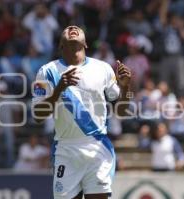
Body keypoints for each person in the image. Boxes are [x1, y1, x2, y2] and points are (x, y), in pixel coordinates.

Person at [32, 26, 131, 199]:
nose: (71, 28)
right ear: (61, 45)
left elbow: (121, 111)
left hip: (98, 148)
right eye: (67, 29)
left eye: (76, 28)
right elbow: (38, 116)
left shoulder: (103, 68)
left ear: (85, 43)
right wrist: (58, 90)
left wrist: (126, 88)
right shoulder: (46, 71)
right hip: (66, 149)